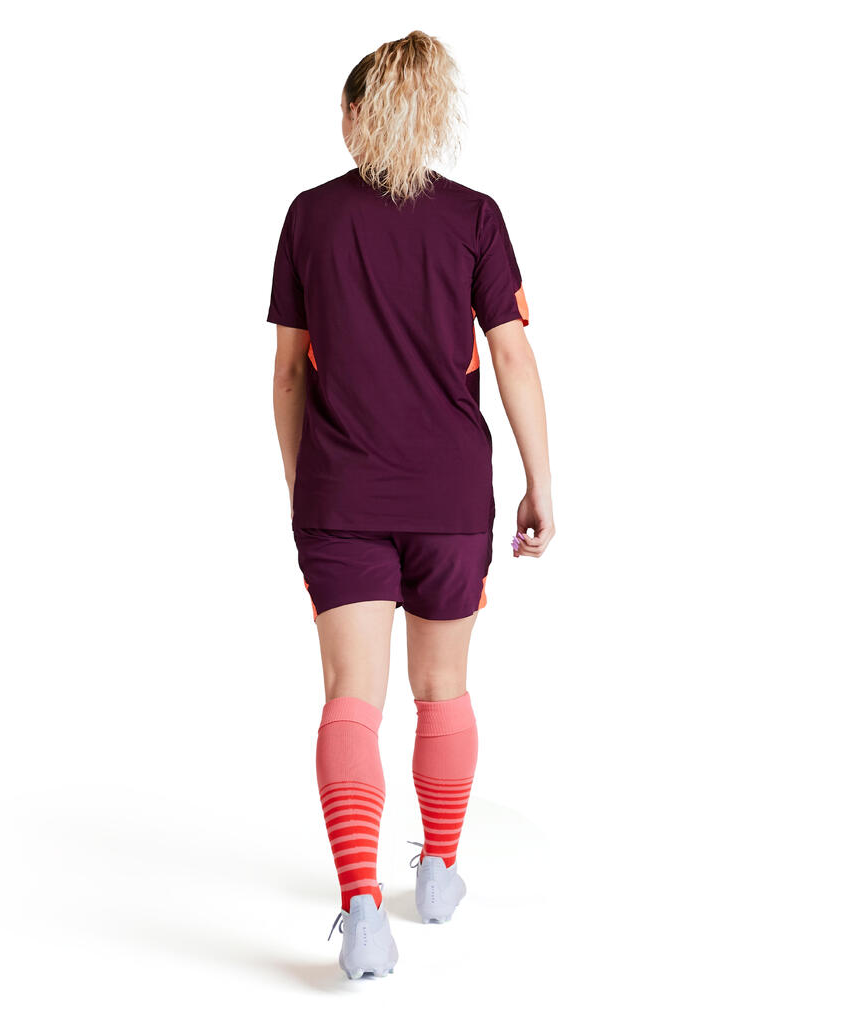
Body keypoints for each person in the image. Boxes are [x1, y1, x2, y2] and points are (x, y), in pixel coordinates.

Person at [267, 30, 554, 980]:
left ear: (360, 115)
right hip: (450, 495)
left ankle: (362, 910)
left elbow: (288, 376)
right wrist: (540, 482)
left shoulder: (310, 216)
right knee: (444, 689)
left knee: (351, 698)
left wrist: (306, 486)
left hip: (340, 494)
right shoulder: (475, 216)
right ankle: (436, 874)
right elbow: (511, 353)